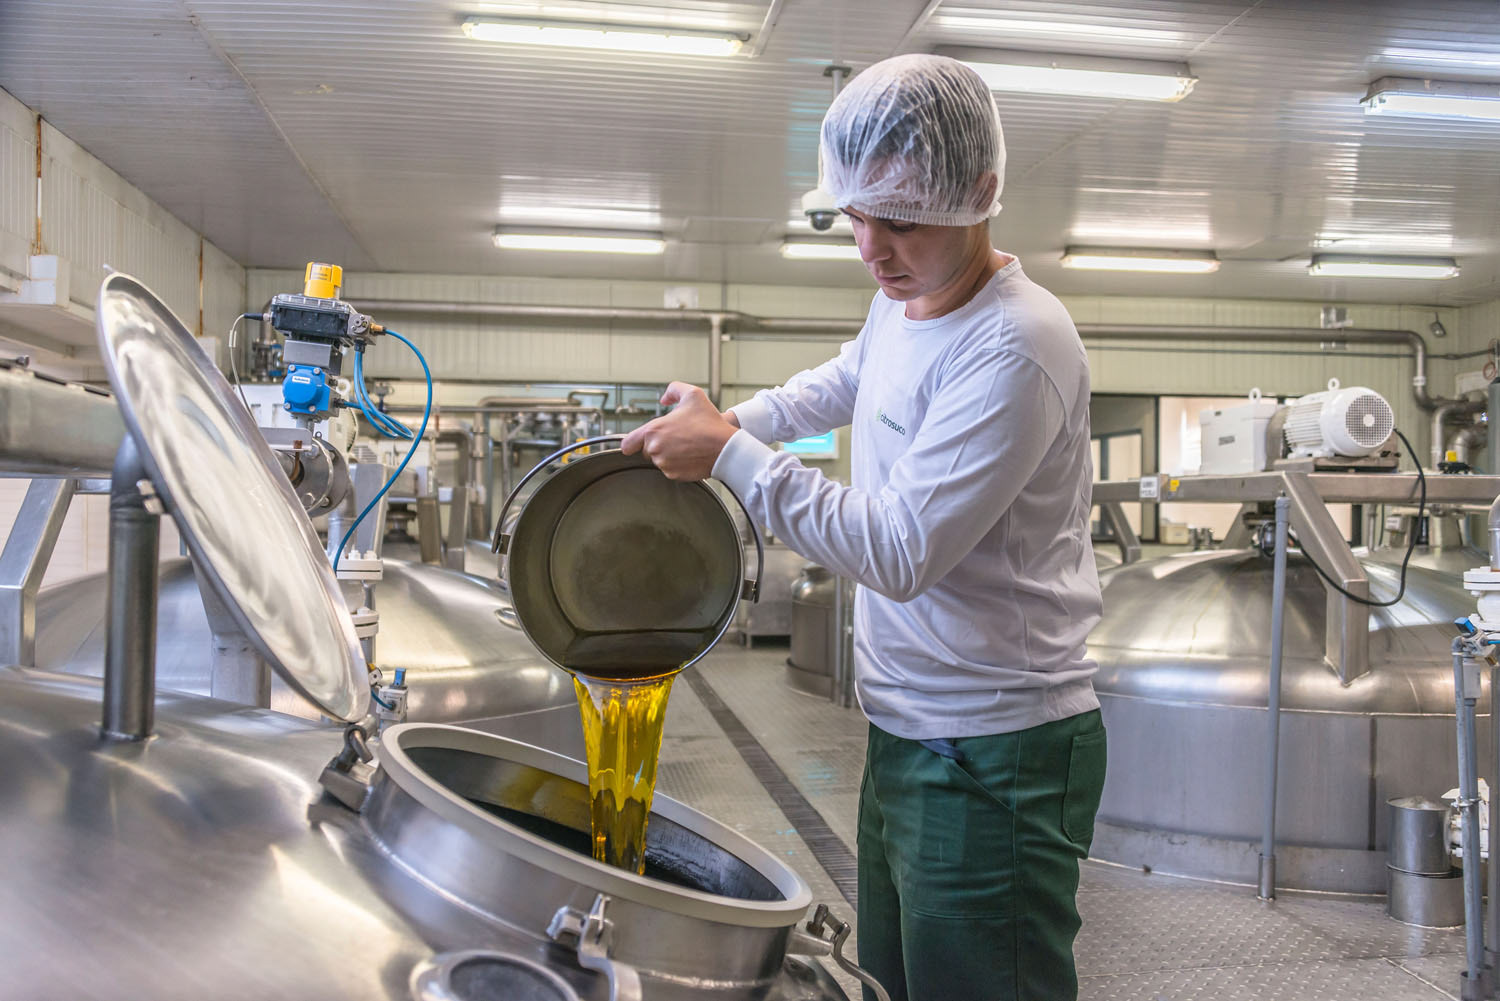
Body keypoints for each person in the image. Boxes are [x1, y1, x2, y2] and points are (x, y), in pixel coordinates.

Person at [621, 53, 1105, 1001]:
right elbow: (844, 379)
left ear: (981, 192)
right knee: (895, 981)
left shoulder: (1016, 343)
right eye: (855, 216)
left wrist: (730, 455)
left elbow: (898, 549)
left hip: (994, 745)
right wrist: (734, 418)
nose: (872, 249)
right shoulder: (906, 299)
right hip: (907, 726)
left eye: (901, 220)